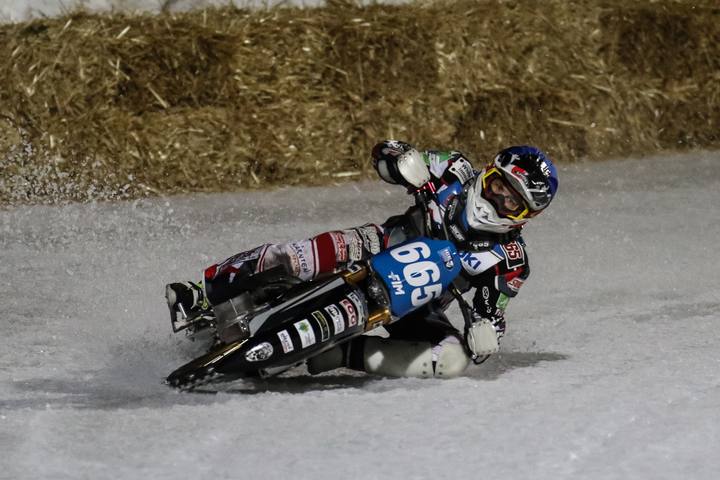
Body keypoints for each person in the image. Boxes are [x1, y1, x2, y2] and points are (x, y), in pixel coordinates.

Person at [166, 141, 558, 378]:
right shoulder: (454, 169)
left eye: (512, 202)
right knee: (301, 256)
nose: (497, 200)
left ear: (526, 216)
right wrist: (401, 161)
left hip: (418, 304)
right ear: (488, 173)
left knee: (454, 361)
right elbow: (388, 152)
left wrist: (487, 333)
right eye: (498, 186)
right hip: (379, 242)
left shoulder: (511, 259)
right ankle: (203, 293)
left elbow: (493, 312)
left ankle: (339, 354)